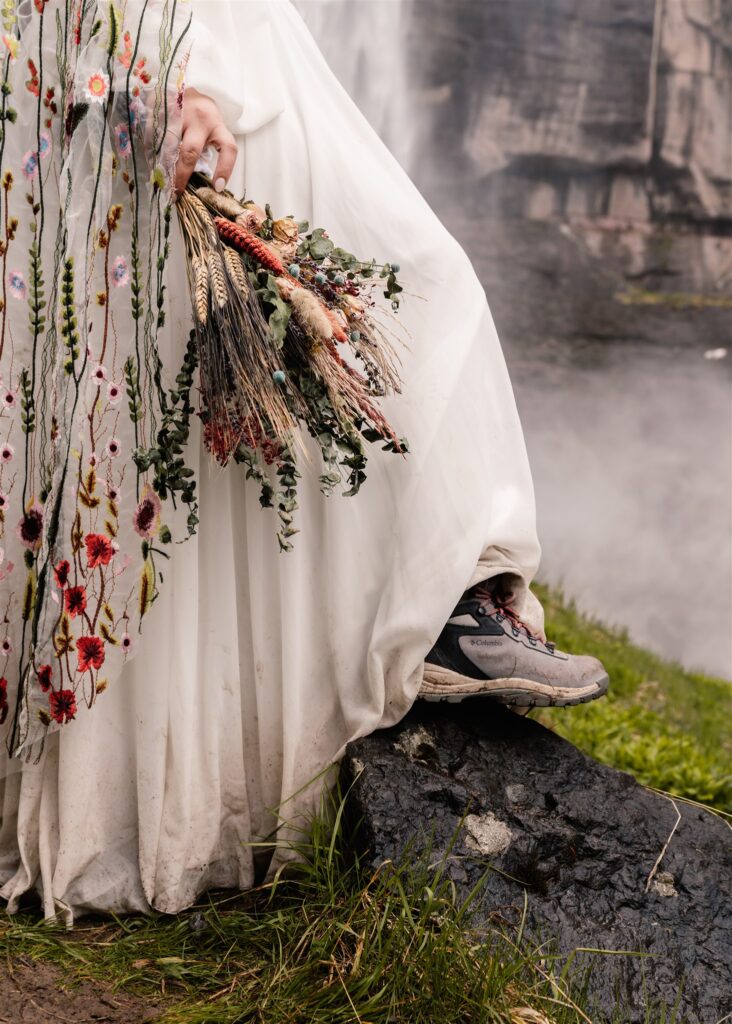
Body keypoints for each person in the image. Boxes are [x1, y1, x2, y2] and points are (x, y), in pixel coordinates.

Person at [0, 0, 607, 923]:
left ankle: (433, 617)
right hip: (187, 68)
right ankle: (443, 610)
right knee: (411, 289)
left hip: (182, 64)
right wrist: (188, 71)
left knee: (183, 406)